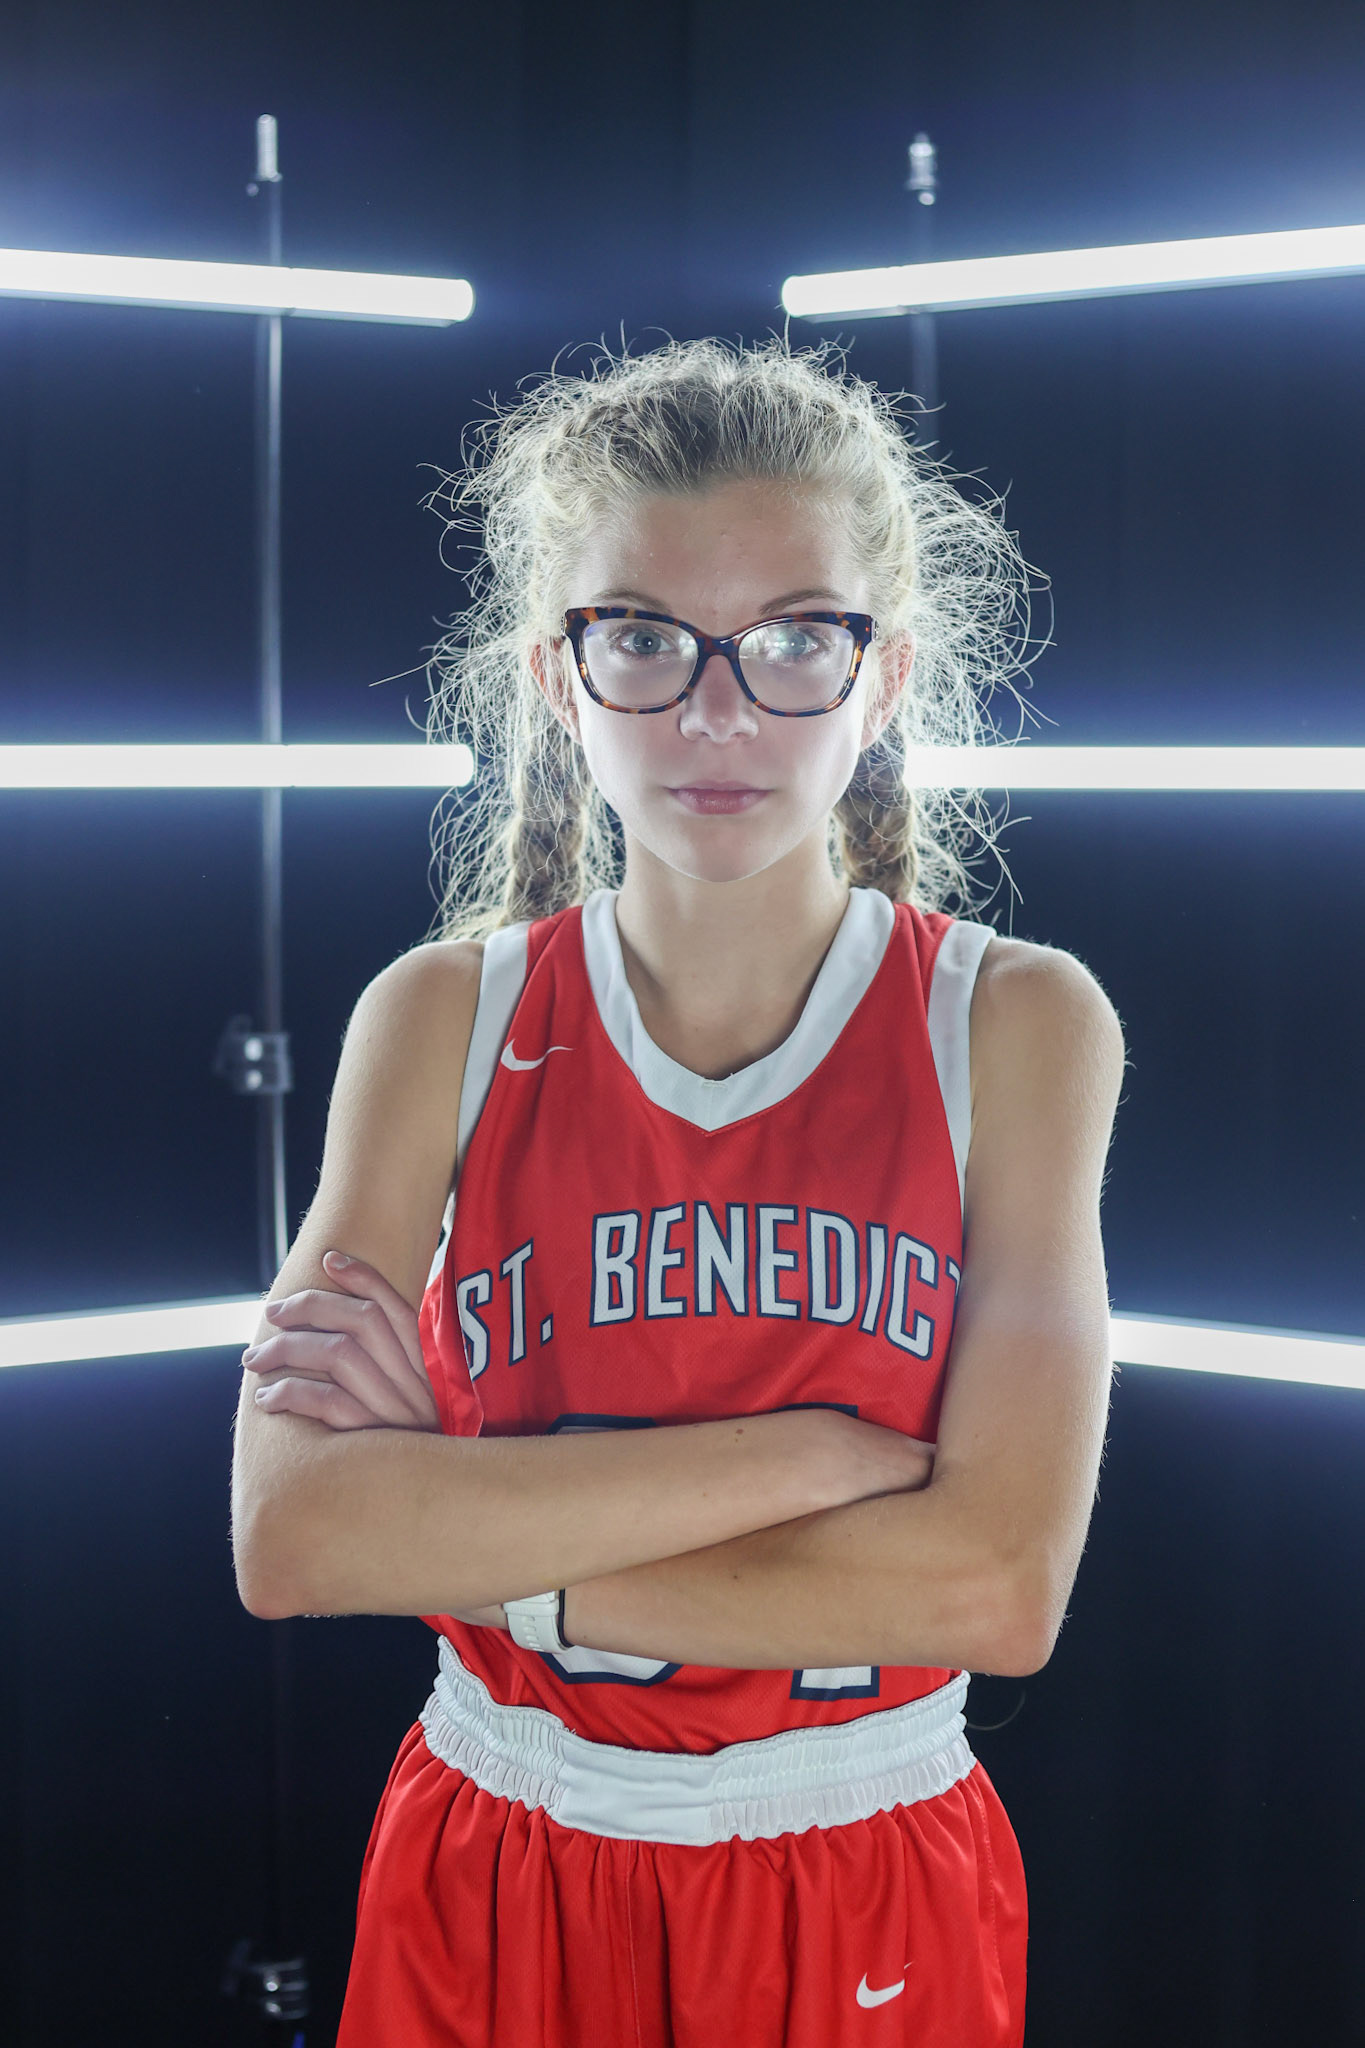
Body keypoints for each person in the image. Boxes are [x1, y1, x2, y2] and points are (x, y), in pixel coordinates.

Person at [230, 334, 1127, 2047]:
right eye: (642, 637)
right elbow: (294, 1536)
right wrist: (809, 1468)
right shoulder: (440, 1018)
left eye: (796, 639)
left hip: (859, 1861)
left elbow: (993, 1591)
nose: (717, 711)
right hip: (496, 1847)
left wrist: (466, 1514)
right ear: (557, 679)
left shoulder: (1012, 1023)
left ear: (886, 678)